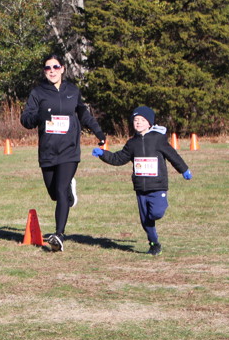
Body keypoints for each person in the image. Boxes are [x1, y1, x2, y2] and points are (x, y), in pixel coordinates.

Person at [20, 54, 106, 252]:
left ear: (62, 69)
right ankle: (69, 192)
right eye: (47, 68)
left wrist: (98, 132)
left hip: (69, 150)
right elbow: (25, 120)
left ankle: (59, 235)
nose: (52, 71)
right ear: (44, 71)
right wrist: (39, 116)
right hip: (48, 151)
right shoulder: (38, 92)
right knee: (55, 194)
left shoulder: (72, 91)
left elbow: (83, 113)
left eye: (55, 67)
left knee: (60, 190)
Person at [91, 106, 192, 255]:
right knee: (145, 221)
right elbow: (119, 158)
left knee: (156, 213)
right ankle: (154, 244)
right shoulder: (132, 143)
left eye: (142, 120)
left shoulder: (158, 139)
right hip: (141, 188)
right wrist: (103, 153)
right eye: (136, 120)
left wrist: (184, 169)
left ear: (149, 123)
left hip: (158, 186)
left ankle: (159, 209)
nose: (138, 123)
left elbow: (173, 155)